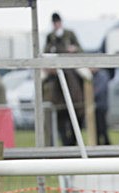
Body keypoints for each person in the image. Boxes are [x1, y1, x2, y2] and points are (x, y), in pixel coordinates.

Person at [43, 12, 84, 146]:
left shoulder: (69, 33)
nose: (56, 24)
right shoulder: (50, 36)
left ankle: (85, 98)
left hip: (70, 66)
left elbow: (80, 49)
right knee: (43, 79)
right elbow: (46, 50)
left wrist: (74, 49)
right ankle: (45, 100)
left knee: (85, 75)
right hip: (55, 68)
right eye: (54, 22)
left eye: (57, 22)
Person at [91, 67, 110, 145]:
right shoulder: (92, 76)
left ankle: (106, 143)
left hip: (101, 105)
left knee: (102, 126)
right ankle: (98, 142)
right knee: (96, 127)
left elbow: (101, 89)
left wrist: (91, 95)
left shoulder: (102, 75)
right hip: (94, 106)